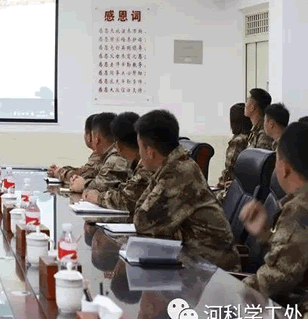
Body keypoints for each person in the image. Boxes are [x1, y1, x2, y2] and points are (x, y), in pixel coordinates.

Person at [133, 110, 240, 271]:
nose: (139, 154)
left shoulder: (178, 173)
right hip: (192, 261)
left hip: (211, 272)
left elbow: (143, 222)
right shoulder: (172, 166)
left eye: (140, 147)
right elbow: (141, 213)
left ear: (149, 151)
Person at [240, 122, 308, 311]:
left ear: (283, 167)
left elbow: (276, 279)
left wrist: (229, 293)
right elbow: (302, 253)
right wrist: (266, 235)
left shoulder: (303, 210)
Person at [82, 112, 154, 215]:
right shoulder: (138, 163)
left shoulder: (146, 167)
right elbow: (125, 188)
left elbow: (127, 199)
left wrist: (97, 197)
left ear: (118, 146)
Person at [69, 112, 127, 193]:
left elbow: (102, 186)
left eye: (92, 136)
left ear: (96, 139)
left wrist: (83, 184)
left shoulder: (115, 158)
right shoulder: (108, 155)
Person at [215, 103, 253, 204]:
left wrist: (218, 186)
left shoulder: (238, 141)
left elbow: (230, 168)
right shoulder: (251, 137)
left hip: (231, 188)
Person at [49, 114, 100, 183]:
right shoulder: (101, 153)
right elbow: (84, 170)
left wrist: (58, 172)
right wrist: (60, 170)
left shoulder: (102, 155)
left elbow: (80, 177)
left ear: (89, 136)